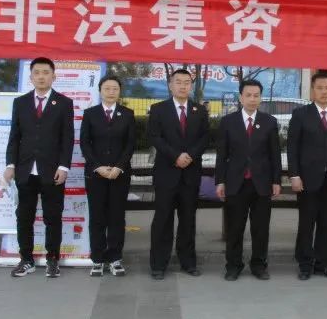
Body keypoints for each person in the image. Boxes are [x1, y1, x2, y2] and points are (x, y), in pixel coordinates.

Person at [5, 57, 74, 279]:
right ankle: (26, 259)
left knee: (52, 217)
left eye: (46, 72)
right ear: (31, 77)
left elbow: (67, 138)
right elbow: (15, 136)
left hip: (52, 171)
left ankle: (53, 260)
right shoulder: (21, 102)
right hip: (25, 170)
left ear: (54, 76)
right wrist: (10, 164)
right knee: (24, 216)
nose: (41, 76)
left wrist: (64, 166)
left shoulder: (64, 103)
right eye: (37, 72)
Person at [215, 79, 282, 281]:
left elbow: (275, 155)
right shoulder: (228, 122)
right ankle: (233, 266)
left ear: (260, 98)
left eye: (256, 95)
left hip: (261, 184)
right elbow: (221, 155)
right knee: (235, 228)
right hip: (236, 183)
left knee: (260, 229)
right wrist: (220, 181)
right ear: (240, 97)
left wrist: (276, 181)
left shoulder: (269, 122)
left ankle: (259, 265)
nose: (252, 99)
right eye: (248, 95)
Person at [287, 71, 327, 281]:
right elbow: (292, 147)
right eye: (320, 88)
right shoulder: (301, 114)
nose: (324, 92)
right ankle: (305, 264)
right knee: (307, 223)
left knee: (326, 223)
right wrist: (294, 175)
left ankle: (324, 264)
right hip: (307, 179)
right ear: (312, 91)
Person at [148, 68, 209, 280]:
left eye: (187, 82)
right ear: (170, 85)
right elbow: (155, 137)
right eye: (178, 82)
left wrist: (190, 156)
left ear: (191, 86)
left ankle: (188, 262)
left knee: (188, 220)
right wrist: (175, 156)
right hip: (166, 173)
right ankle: (158, 264)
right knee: (163, 220)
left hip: (190, 174)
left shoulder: (199, 110)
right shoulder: (158, 109)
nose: (183, 86)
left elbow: (204, 138)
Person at [80, 75, 136, 278]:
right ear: (100, 90)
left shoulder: (127, 114)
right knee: (97, 217)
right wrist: (98, 166)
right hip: (96, 174)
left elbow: (130, 144)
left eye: (115, 89)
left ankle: (115, 258)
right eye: (107, 88)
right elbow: (85, 143)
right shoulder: (90, 114)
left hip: (119, 175)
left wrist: (119, 167)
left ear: (119, 92)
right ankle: (97, 259)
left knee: (116, 217)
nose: (111, 92)